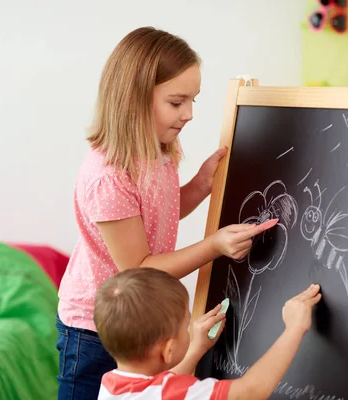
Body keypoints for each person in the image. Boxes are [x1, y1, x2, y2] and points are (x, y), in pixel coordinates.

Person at [56, 26, 278, 399]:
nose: (188, 114)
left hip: (140, 319)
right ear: (134, 100)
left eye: (193, 101)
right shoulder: (109, 177)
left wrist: (199, 187)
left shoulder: (157, 152)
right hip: (97, 331)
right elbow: (140, 268)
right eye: (177, 103)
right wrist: (214, 246)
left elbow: (158, 216)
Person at [94, 268, 322, 399]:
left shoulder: (111, 384)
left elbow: (157, 384)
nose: (189, 329)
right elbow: (250, 391)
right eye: (185, 326)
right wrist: (294, 328)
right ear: (169, 349)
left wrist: (196, 348)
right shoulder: (175, 394)